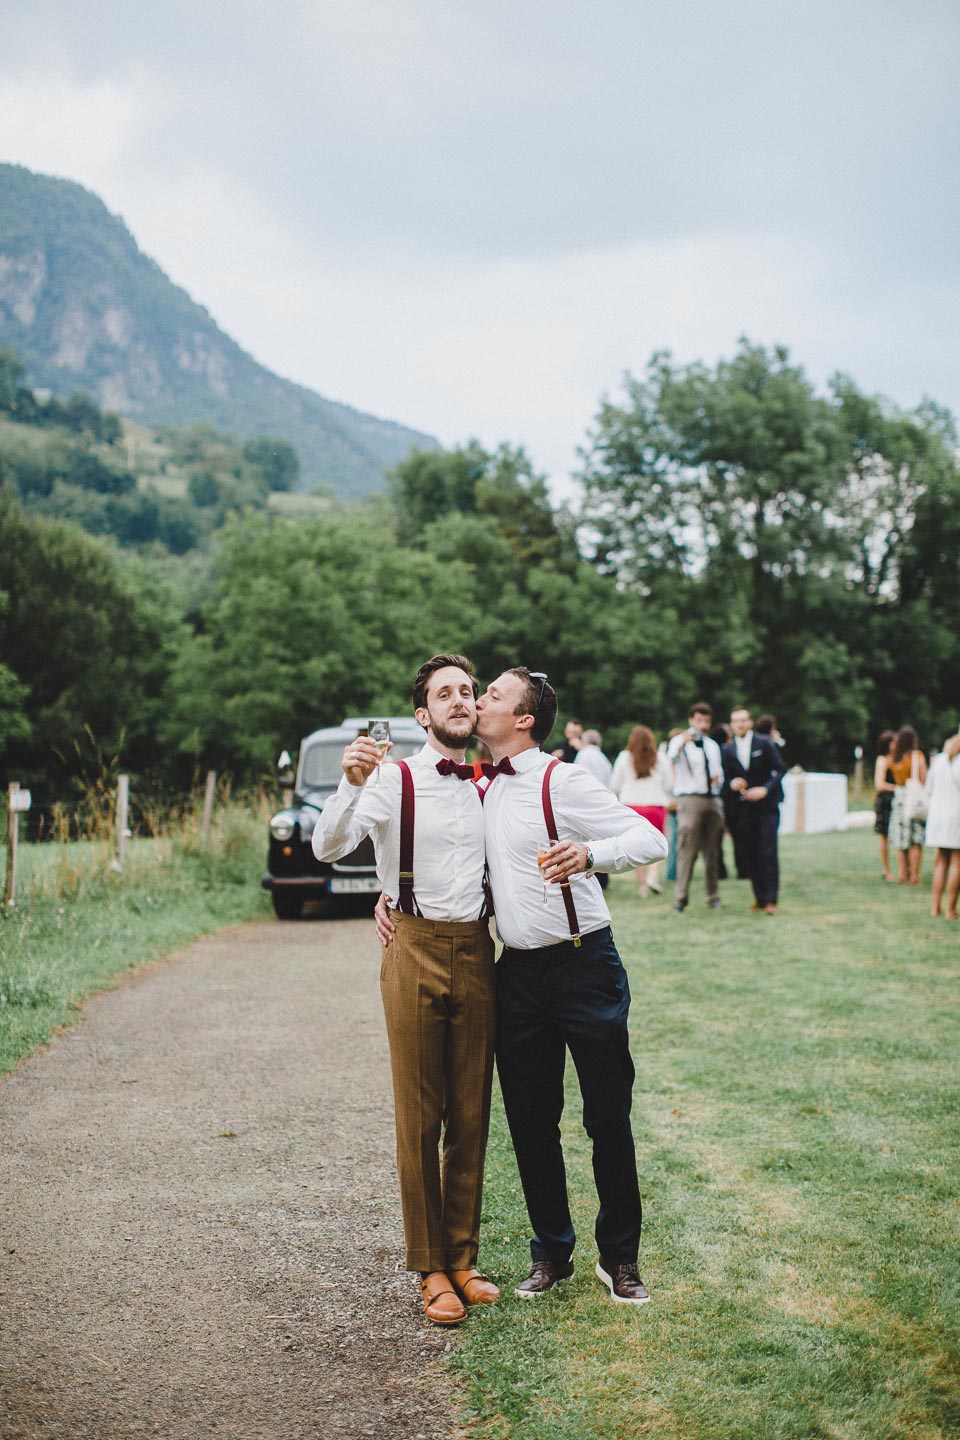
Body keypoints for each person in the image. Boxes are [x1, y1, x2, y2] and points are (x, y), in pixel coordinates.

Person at [312, 654, 498, 1327]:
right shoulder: (392, 779)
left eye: (467, 692)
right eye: (444, 693)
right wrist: (349, 783)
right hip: (412, 945)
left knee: (472, 1111)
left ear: (477, 709)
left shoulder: (490, 784)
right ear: (422, 714)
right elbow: (327, 848)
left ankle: (464, 1256)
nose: (459, 700)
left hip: (478, 948)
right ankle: (430, 1270)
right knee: (420, 1117)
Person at [474, 668, 667, 1305]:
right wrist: (395, 893)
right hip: (517, 974)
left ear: (525, 719)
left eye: (493, 695)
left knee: (607, 1115)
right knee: (531, 1121)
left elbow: (650, 837)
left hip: (586, 966)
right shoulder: (477, 788)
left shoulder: (564, 779)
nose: (479, 701)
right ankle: (551, 1253)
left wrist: (590, 856)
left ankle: (621, 1259)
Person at [721, 706, 788, 915]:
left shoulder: (764, 743)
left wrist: (765, 789)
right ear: (732, 725)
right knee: (750, 854)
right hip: (742, 810)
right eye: (735, 721)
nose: (739, 724)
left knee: (767, 852)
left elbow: (780, 769)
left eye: (743, 720)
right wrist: (732, 783)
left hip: (766, 807)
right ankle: (759, 898)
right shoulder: (727, 750)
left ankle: (770, 900)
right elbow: (723, 778)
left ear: (750, 722)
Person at [666, 703, 725, 913]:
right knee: (686, 849)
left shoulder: (712, 745)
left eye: (706, 721)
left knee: (713, 851)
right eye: (699, 720)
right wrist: (682, 744)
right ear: (691, 720)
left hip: (712, 798)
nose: (703, 725)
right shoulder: (678, 742)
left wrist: (718, 780)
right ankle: (680, 899)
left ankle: (713, 896)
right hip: (689, 799)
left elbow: (719, 771)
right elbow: (669, 760)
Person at [610, 725, 673, 896]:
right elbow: (669, 784)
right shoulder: (660, 758)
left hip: (631, 807)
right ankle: (653, 876)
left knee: (635, 846)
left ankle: (643, 886)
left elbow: (615, 784)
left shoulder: (624, 757)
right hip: (655, 806)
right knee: (657, 842)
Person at [923, 731, 960, 917]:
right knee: (956, 863)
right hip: (956, 817)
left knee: (940, 862)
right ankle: (950, 909)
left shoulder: (938, 760)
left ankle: (935, 907)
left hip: (937, 817)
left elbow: (928, 788)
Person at [887, 726, 927, 885]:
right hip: (913, 798)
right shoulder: (917, 756)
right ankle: (914, 875)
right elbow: (924, 779)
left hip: (899, 798)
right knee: (915, 838)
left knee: (901, 838)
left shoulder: (894, 759)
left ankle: (902, 873)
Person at [873, 730, 897, 883]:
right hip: (885, 801)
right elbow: (879, 784)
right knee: (885, 836)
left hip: (894, 800)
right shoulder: (882, 760)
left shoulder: (895, 758)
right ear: (888, 744)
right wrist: (898, 788)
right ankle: (886, 869)